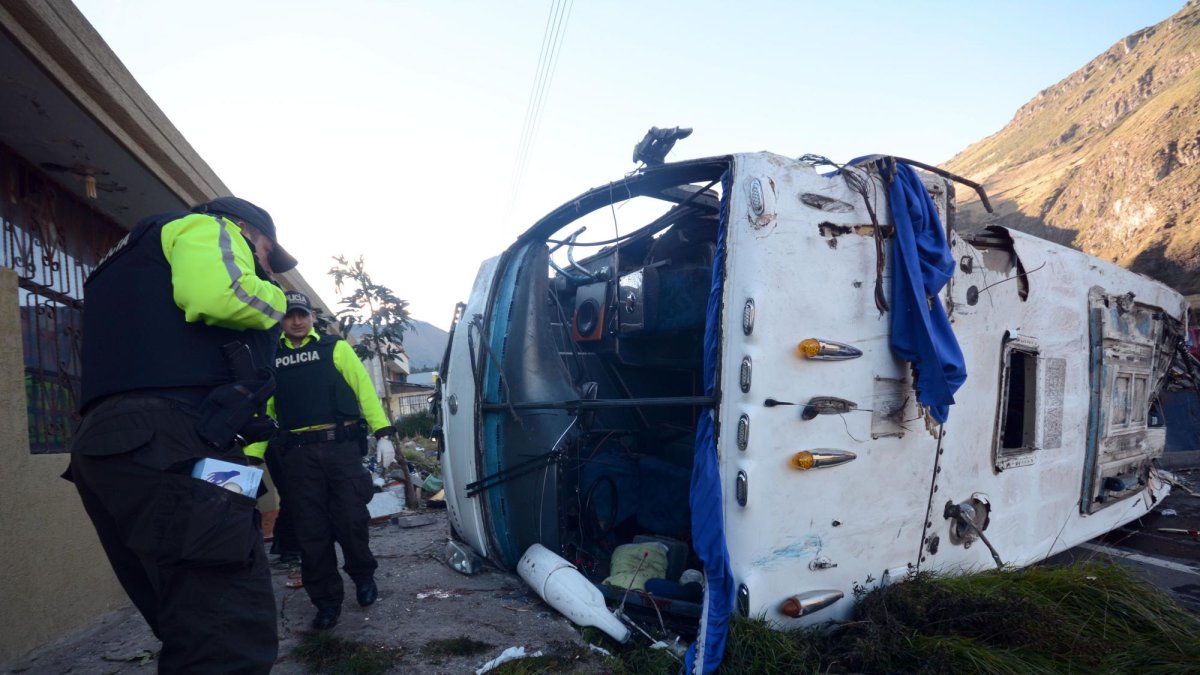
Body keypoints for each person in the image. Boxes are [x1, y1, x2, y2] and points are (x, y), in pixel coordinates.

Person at [67, 197, 294, 673]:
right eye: (268, 255)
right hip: (181, 439)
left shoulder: (119, 262)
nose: (269, 269)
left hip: (104, 446)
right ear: (247, 230)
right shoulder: (206, 227)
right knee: (227, 630)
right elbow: (223, 295)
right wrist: (280, 301)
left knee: (185, 620)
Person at [257, 290, 395, 630]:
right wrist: (251, 457)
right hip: (298, 456)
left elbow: (364, 390)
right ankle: (326, 602)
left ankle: (363, 576)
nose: (296, 321)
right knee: (310, 531)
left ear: (313, 317)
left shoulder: (336, 348)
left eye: (302, 314)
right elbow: (265, 412)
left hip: (340, 449)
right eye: (289, 315)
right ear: (281, 319)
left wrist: (384, 433)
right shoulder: (271, 357)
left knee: (351, 520)